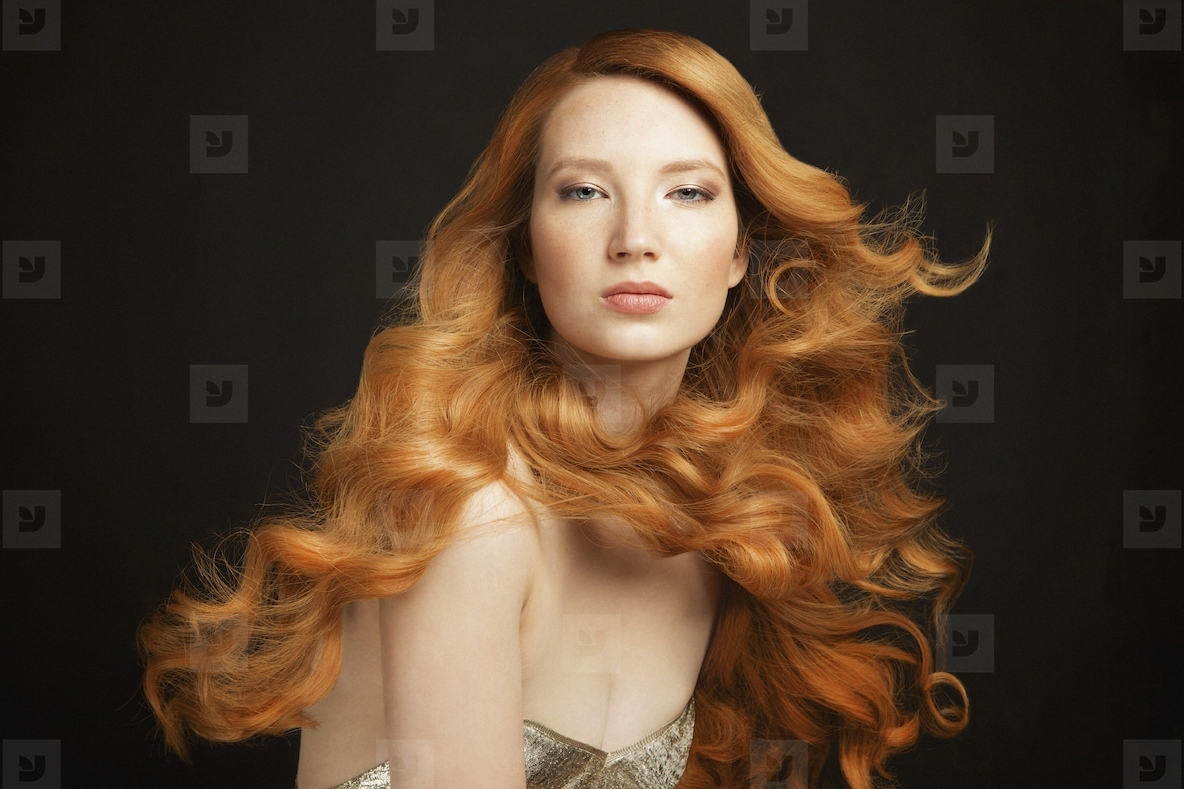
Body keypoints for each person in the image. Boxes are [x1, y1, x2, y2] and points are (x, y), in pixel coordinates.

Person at [138, 27, 992, 789]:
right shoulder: (473, 517)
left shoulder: (715, 520)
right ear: (526, 250)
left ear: (741, 250)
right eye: (584, 191)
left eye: (688, 193)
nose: (634, 238)